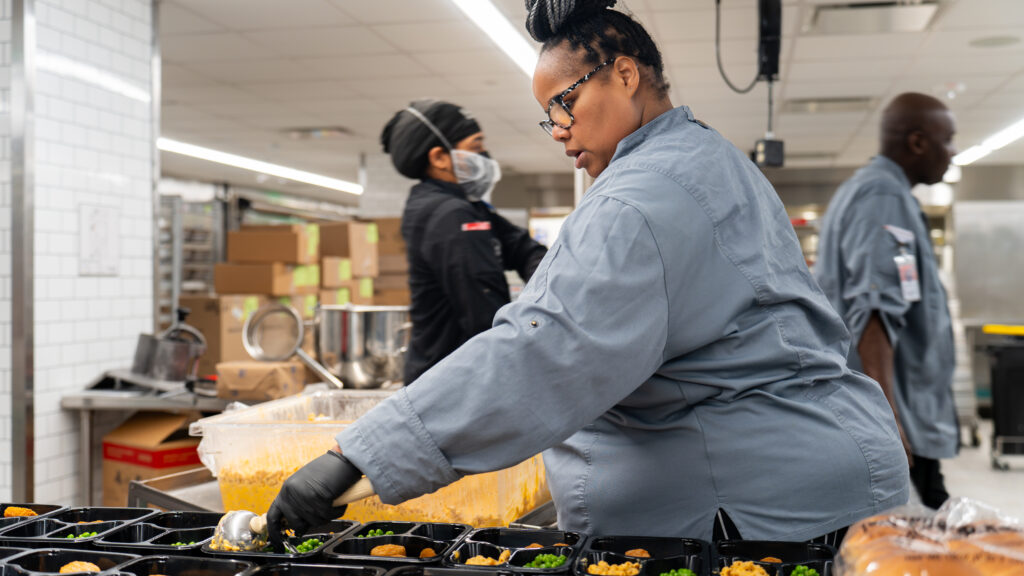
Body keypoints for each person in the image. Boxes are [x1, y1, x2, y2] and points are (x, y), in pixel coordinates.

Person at [267, 0, 909, 544]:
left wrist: (357, 458)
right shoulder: (703, 157)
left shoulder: (642, 195)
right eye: (550, 115)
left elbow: (549, 347)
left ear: (624, 74)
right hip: (791, 471)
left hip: (742, 501)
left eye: (565, 104)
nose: (558, 131)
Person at [815, 93, 959, 509]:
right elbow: (874, 309)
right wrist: (888, 419)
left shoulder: (883, 192)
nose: (952, 152)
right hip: (898, 422)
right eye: (947, 139)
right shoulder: (882, 196)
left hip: (902, 415)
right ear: (917, 142)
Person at [379, 99, 548, 384]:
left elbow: (523, 249)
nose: (485, 156)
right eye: (475, 148)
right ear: (439, 158)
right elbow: (484, 313)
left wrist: (551, 284)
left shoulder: (463, 206)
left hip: (444, 373)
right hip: (451, 380)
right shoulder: (451, 214)